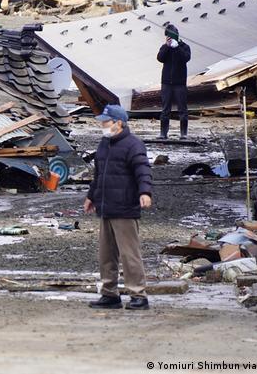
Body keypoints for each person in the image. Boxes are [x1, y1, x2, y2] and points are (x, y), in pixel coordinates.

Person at [83, 104, 153, 310]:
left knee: (129, 254)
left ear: (119, 123)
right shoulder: (104, 144)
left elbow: (143, 170)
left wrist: (145, 192)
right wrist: (91, 196)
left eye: (106, 122)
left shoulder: (134, 145)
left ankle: (138, 295)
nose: (102, 125)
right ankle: (109, 293)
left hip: (124, 208)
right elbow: (99, 175)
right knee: (105, 255)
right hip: (105, 207)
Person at [157, 23, 191, 139]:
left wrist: (177, 48)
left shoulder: (184, 47)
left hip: (179, 83)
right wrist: (167, 46)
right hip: (166, 83)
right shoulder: (165, 47)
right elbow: (160, 58)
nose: (168, 39)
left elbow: (185, 58)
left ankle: (184, 133)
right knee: (165, 109)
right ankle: (163, 133)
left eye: (170, 37)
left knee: (182, 109)